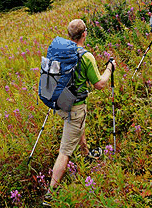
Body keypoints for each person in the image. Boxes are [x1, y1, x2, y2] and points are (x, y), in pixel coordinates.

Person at [43, 19, 116, 206]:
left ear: (69, 35)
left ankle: (85, 153)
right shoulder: (86, 56)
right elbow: (99, 84)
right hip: (75, 107)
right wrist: (109, 68)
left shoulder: (60, 50)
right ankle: (50, 195)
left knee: (76, 126)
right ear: (84, 34)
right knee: (65, 151)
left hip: (59, 103)